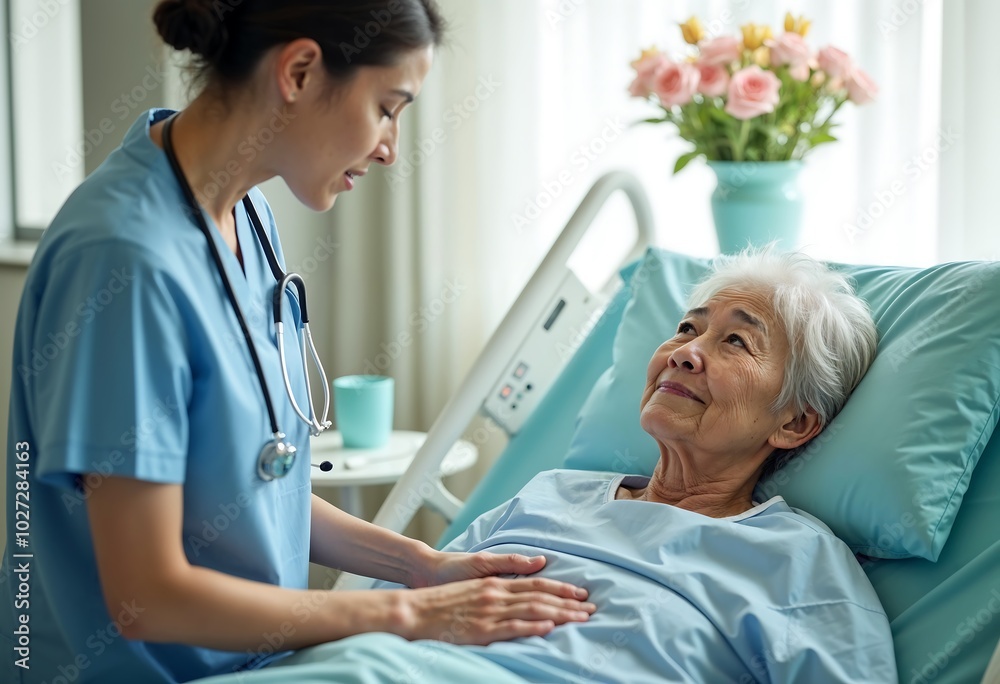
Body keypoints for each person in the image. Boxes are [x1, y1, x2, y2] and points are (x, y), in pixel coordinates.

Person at [0, 2, 594, 683]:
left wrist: (421, 568)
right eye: (388, 107)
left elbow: (257, 488)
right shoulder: (125, 262)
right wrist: (404, 614)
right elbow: (147, 596)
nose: (391, 147)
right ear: (301, 71)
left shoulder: (246, 216)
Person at [278, 249, 893, 683]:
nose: (685, 355)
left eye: (735, 341)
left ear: (794, 423)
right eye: (686, 329)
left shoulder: (797, 561)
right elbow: (387, 609)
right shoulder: (549, 494)